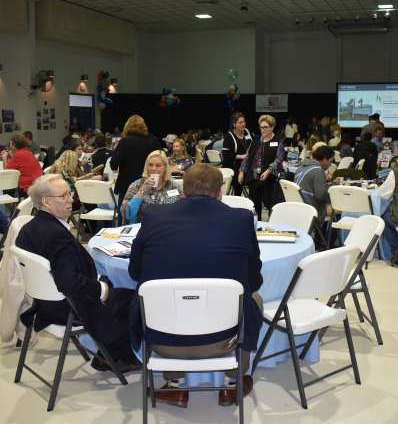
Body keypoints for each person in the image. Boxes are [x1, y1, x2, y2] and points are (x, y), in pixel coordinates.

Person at [129, 164, 263, 408]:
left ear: (182, 191)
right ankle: (232, 384)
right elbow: (254, 281)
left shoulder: (153, 216)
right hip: (224, 339)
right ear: (220, 192)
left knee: (148, 296)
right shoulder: (241, 219)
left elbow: (134, 272)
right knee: (253, 299)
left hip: (162, 339)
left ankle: (174, 385)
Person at [16, 174, 139, 371]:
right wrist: (103, 289)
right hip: (68, 306)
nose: (71, 199)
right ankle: (117, 355)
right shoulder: (56, 236)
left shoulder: (29, 228)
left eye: (70, 193)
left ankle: (109, 352)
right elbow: (69, 281)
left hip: (42, 302)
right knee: (132, 296)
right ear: (46, 202)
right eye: (64, 195)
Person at [110, 115, 160, 215]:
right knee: (149, 217)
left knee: (125, 218)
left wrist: (115, 150)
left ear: (127, 127)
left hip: (127, 187)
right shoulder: (153, 140)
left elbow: (113, 165)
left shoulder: (125, 142)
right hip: (150, 184)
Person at [239, 114, 285, 218]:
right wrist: (242, 171)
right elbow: (247, 157)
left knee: (270, 205)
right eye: (261, 127)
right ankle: (256, 227)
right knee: (254, 206)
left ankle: (271, 227)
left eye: (265, 127)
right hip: (253, 178)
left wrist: (268, 171)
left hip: (269, 179)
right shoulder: (255, 139)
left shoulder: (278, 141)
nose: (262, 129)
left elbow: (278, 159)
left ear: (272, 127)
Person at [121, 150, 182, 223]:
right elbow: (126, 214)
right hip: (142, 229)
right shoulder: (137, 185)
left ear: (165, 167)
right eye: (150, 165)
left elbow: (183, 211)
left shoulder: (174, 186)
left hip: (168, 229)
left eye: (158, 165)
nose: (153, 168)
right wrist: (142, 190)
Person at [294, 145, 335, 223]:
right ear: (325, 159)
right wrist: (333, 186)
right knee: (334, 212)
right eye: (330, 161)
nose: (330, 164)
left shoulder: (301, 167)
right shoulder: (318, 171)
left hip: (299, 207)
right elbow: (321, 196)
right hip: (311, 211)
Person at [222, 112, 252, 196]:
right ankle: (237, 198)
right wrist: (242, 156)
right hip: (233, 167)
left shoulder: (246, 132)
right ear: (234, 124)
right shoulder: (229, 137)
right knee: (240, 182)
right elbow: (226, 156)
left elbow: (252, 145)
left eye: (244, 122)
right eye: (240, 122)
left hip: (246, 164)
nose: (243, 124)